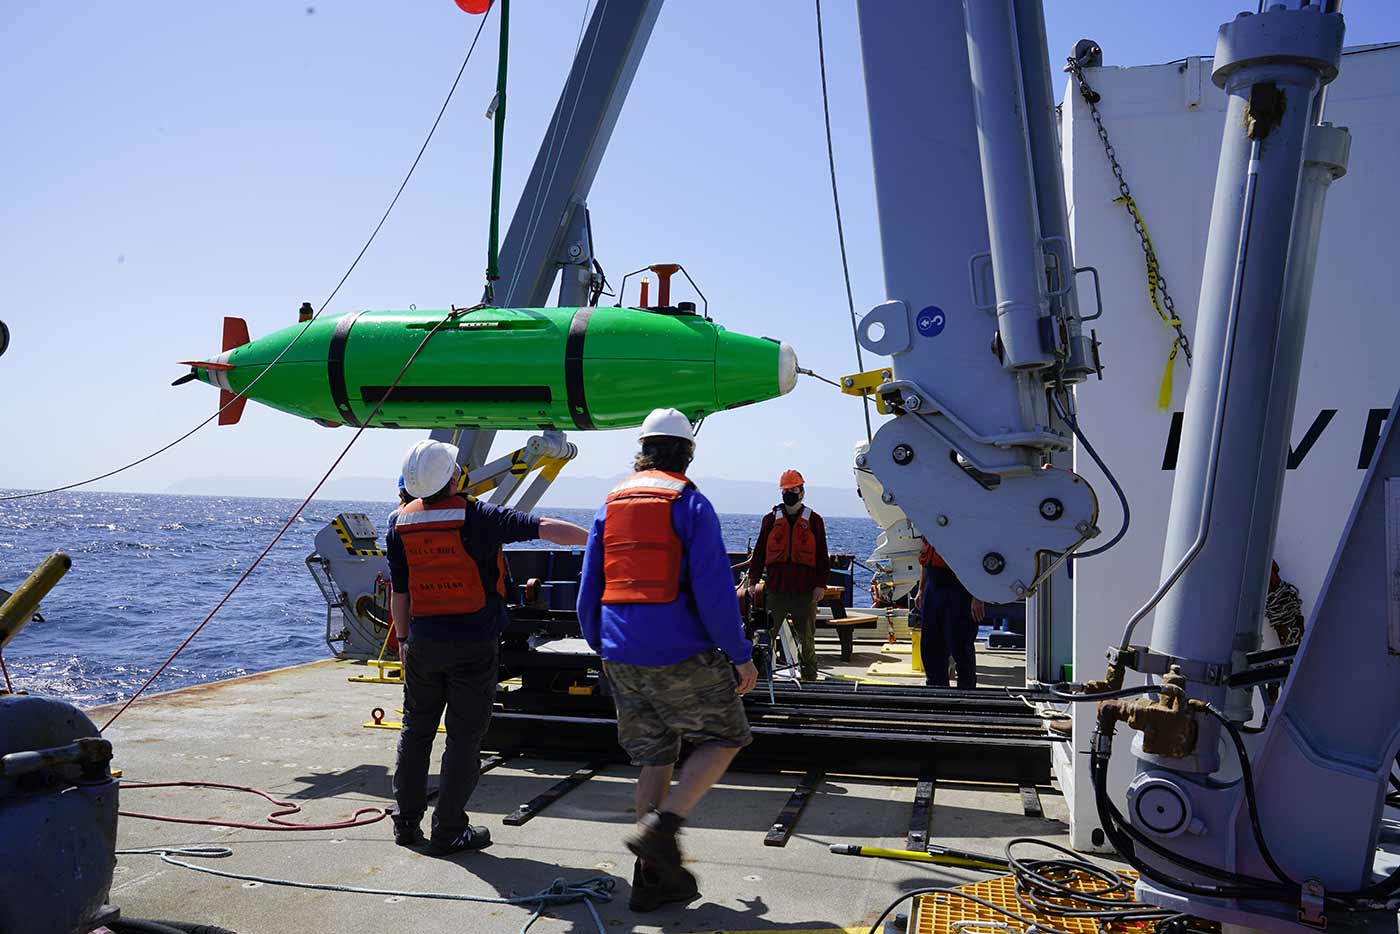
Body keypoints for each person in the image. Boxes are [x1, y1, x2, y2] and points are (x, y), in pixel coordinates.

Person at [576, 407, 758, 913]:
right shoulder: (691, 504)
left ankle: (651, 881)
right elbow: (716, 591)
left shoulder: (609, 503)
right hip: (676, 650)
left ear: (643, 450)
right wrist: (740, 656)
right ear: (687, 453)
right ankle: (661, 828)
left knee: (655, 756)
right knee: (726, 736)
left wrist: (604, 644)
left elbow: (589, 586)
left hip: (619, 651)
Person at [387, 439, 588, 855]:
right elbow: (545, 528)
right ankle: (449, 831)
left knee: (416, 731)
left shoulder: (399, 524)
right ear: (454, 476)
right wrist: (600, 542)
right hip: (472, 644)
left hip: (422, 641)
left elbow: (401, 594)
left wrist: (403, 642)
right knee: (463, 739)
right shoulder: (478, 516)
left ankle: (406, 825)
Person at [739, 470, 830, 681]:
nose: (790, 493)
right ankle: (760, 678)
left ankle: (809, 676)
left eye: (794, 489)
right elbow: (760, 552)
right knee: (765, 635)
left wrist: (820, 585)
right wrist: (753, 582)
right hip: (776, 589)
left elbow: (822, 556)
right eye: (786, 490)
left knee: (806, 637)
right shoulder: (770, 520)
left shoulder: (814, 521)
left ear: (802, 492)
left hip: (804, 590)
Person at [914, 539, 984, 689]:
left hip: (959, 588)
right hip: (933, 588)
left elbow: (979, 558)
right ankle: (936, 690)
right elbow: (926, 559)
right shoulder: (930, 523)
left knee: (960, 645)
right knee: (930, 645)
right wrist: (921, 588)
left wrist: (977, 596)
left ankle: (967, 694)